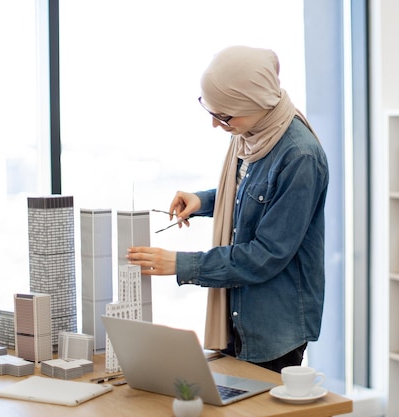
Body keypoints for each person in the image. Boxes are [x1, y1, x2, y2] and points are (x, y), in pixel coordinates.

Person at [127, 45, 329, 373]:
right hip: (240, 314)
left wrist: (179, 264)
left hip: (274, 326)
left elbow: (265, 255)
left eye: (224, 115)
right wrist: (204, 201)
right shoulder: (252, 133)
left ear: (255, 102)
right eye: (212, 112)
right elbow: (247, 194)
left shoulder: (300, 158)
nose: (217, 125)